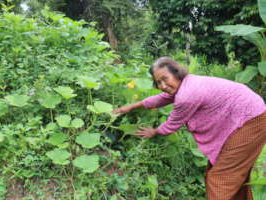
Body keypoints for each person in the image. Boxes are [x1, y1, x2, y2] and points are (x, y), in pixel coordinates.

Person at [112, 56, 266, 200]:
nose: (162, 86)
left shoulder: (187, 94)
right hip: (246, 116)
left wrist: (155, 131)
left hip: (251, 119)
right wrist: (132, 106)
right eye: (158, 82)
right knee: (231, 173)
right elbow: (162, 98)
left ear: (176, 73)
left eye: (165, 79)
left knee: (220, 178)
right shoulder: (186, 83)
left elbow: (173, 123)